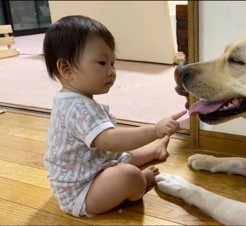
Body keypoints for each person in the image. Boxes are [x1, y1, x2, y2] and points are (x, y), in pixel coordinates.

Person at [43, 15, 187, 217]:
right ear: (66, 69)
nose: (111, 71)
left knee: (120, 158)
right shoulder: (77, 108)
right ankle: (141, 183)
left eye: (113, 63)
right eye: (102, 62)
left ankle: (155, 152)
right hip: (81, 193)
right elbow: (111, 141)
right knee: (128, 174)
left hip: (92, 167)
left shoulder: (71, 99)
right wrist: (154, 130)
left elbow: (111, 151)